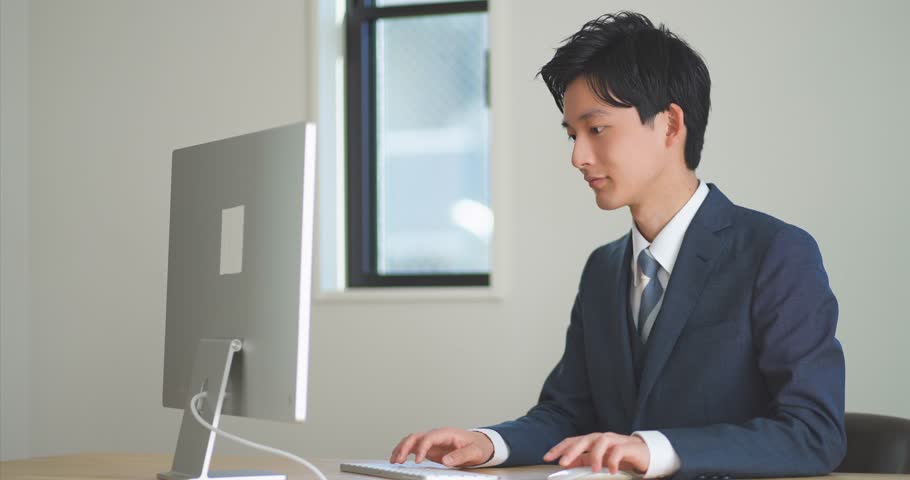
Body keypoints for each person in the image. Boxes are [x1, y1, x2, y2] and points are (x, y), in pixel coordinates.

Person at [390, 11, 846, 480]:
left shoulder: (775, 253)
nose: (577, 157)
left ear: (670, 125)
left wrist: (653, 450)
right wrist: (489, 443)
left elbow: (813, 433)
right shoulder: (603, 269)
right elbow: (569, 414)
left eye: (597, 129)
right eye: (572, 134)